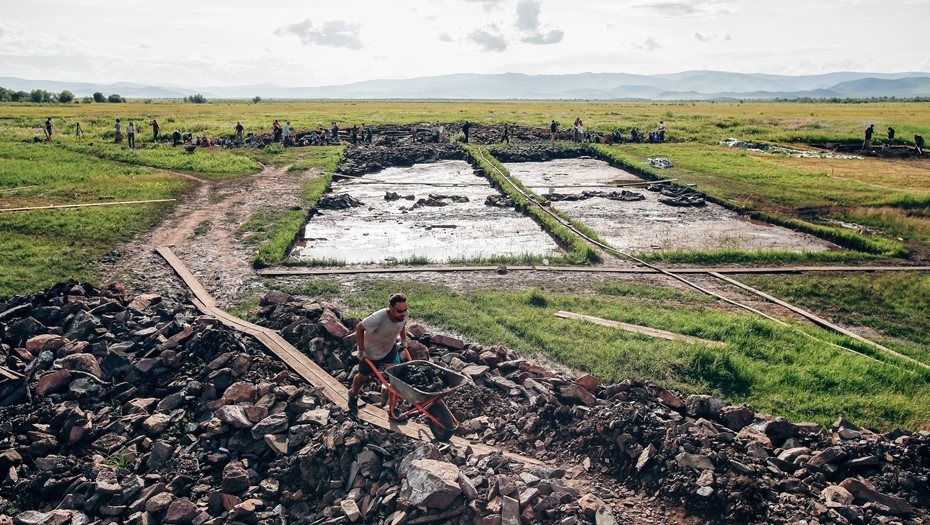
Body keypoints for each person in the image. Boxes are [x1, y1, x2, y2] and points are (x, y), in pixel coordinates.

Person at [347, 292, 410, 415]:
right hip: (371, 351)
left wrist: (403, 339)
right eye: (399, 311)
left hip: (389, 348)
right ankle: (353, 394)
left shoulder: (403, 315)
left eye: (405, 310)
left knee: (395, 378)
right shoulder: (378, 318)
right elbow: (359, 328)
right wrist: (361, 350)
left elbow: (402, 324)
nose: (403, 314)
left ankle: (392, 409)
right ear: (391, 309)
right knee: (363, 377)